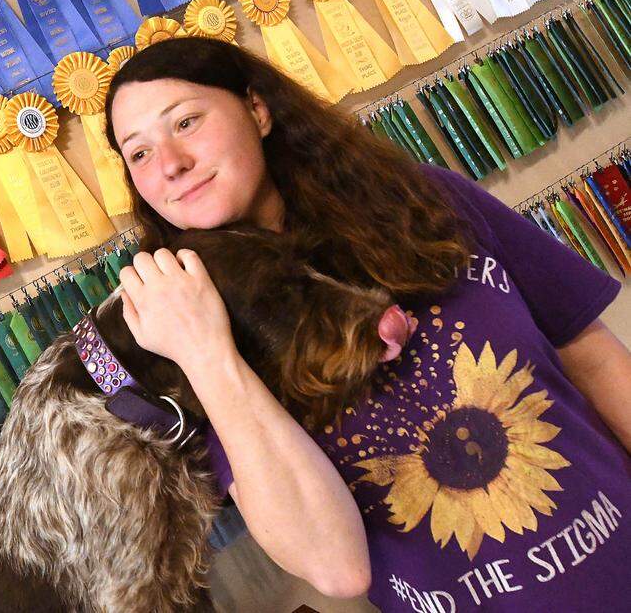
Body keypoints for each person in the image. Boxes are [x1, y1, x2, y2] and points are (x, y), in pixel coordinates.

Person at [105, 37, 631, 611]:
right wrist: (207, 355)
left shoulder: (426, 200)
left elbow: (589, 352)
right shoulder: (182, 335)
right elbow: (336, 567)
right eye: (139, 154)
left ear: (257, 110)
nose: (171, 165)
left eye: (185, 122)